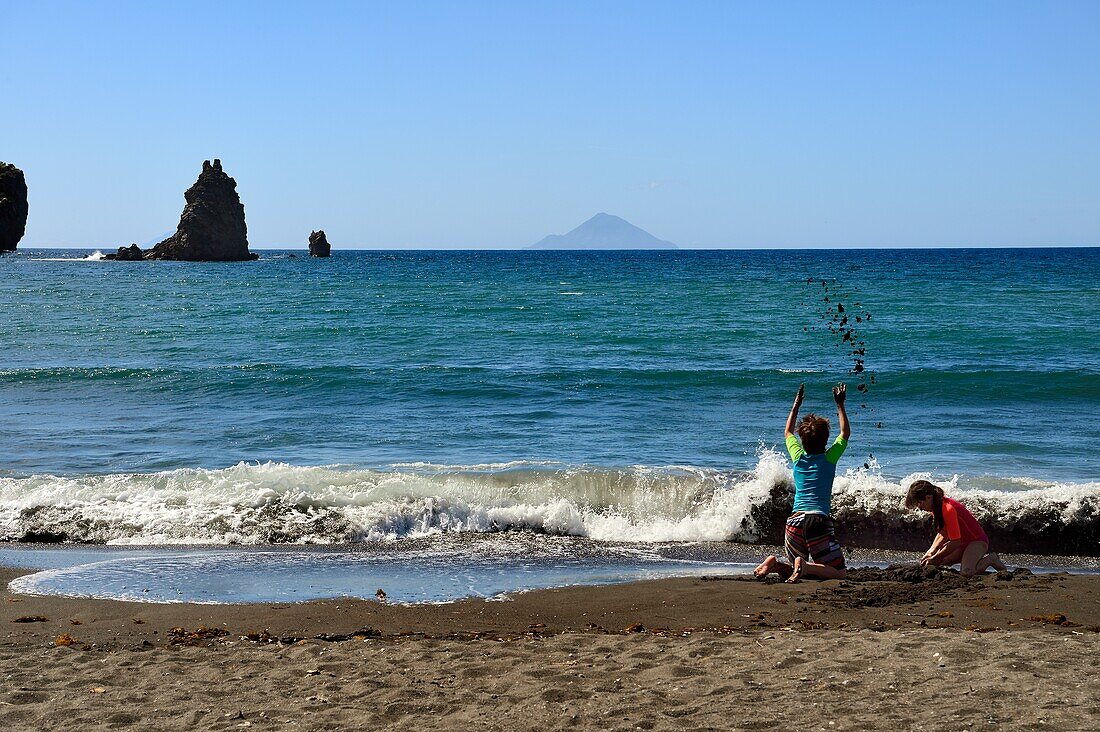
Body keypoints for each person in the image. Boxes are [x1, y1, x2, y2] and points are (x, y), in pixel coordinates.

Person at [754, 382, 850, 583]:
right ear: (825, 440)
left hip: (794, 522)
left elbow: (788, 432)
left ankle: (771, 563)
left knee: (791, 569)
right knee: (839, 572)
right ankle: (804, 566)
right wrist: (840, 405)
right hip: (818, 521)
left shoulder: (797, 457)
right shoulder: (829, 458)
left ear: (803, 440)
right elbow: (844, 434)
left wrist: (796, 404)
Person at [904, 480, 1007, 576]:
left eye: (919, 502)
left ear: (928, 497)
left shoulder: (947, 509)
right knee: (936, 563)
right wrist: (931, 552)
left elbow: (955, 542)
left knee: (966, 572)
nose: (919, 507)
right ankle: (968, 558)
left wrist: (936, 557)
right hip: (962, 543)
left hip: (976, 541)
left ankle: (991, 559)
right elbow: (943, 533)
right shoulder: (936, 507)